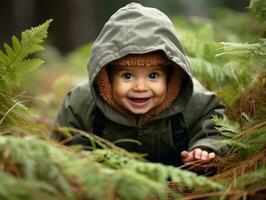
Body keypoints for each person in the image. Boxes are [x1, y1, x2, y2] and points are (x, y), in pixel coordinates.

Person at [53, 3, 229, 168]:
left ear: (169, 77)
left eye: (153, 75)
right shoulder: (81, 103)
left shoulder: (191, 99)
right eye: (127, 76)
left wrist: (205, 148)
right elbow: (65, 144)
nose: (140, 87)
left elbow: (215, 124)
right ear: (107, 77)